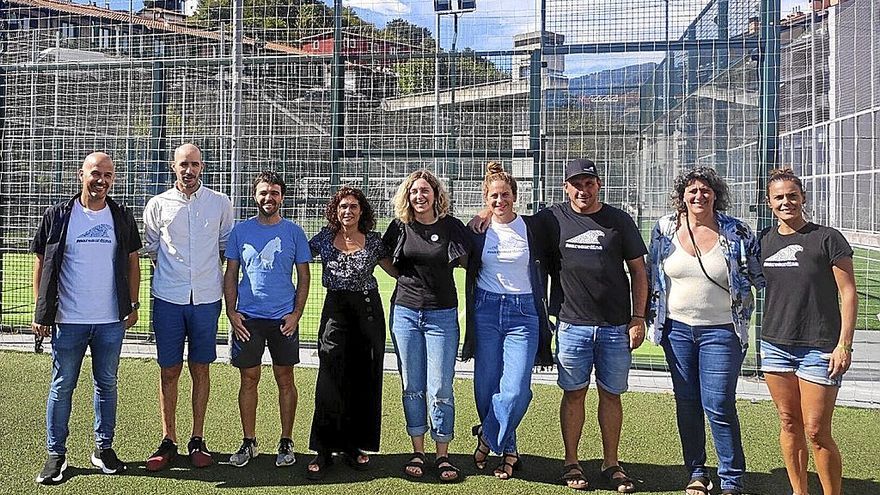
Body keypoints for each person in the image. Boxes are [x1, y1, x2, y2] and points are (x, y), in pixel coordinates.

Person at [645, 167, 764, 495]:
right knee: (686, 402)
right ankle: (697, 472)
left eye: (705, 191)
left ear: (716, 195)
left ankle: (731, 479)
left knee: (719, 403)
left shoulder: (737, 231)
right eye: (692, 191)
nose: (699, 196)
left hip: (723, 331)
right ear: (682, 195)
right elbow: (651, 272)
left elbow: (759, 275)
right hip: (677, 331)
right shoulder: (664, 229)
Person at [31, 152, 142, 484]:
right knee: (62, 386)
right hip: (68, 321)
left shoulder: (121, 216)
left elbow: (133, 261)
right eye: (96, 173)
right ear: (81, 175)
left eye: (108, 175)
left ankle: (103, 449)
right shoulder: (58, 215)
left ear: (113, 179)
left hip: (110, 321)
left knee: (106, 385)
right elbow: (41, 262)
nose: (102, 180)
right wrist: (42, 310)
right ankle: (56, 456)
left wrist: (133, 305)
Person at [759, 168, 857, 495]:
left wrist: (844, 344)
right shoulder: (763, 242)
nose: (786, 202)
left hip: (820, 347)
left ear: (802, 198)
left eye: (792, 195)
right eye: (779, 197)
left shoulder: (827, 238)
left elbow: (848, 293)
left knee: (816, 430)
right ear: (769, 202)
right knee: (789, 423)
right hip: (775, 345)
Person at [142, 143, 234, 471]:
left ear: (202, 167)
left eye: (194, 164)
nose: (189, 170)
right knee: (169, 371)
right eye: (183, 164)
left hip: (207, 300)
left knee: (200, 368)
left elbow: (225, 248)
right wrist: (172, 276)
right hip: (168, 299)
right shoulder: (157, 205)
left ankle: (198, 438)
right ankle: (169, 439)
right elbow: (152, 250)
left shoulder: (220, 203)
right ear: (173, 166)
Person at [462, 162, 553, 480]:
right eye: (493, 197)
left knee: (516, 390)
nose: (500, 201)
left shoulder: (532, 227)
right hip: (486, 310)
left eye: (505, 195)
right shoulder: (476, 231)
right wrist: (482, 216)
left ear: (515, 196)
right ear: (485, 199)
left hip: (524, 313)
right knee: (486, 387)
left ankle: (487, 436)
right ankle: (509, 449)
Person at [382, 169, 470, 483]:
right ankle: (418, 450)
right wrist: (405, 281)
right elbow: (383, 258)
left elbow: (467, 259)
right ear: (408, 196)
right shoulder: (400, 227)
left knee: (441, 387)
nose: (419, 197)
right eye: (414, 192)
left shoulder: (451, 227)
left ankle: (442, 454)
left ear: (436, 195)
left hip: (442, 315)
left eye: (425, 191)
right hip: (405, 314)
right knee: (412, 386)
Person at [306, 186, 396, 480]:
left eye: (353, 207)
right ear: (336, 210)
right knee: (330, 378)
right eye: (343, 206)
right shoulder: (323, 238)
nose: (348, 211)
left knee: (362, 379)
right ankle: (323, 449)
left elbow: (396, 270)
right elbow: (295, 255)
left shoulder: (373, 242)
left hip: (368, 312)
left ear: (362, 211)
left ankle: (354, 446)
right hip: (335, 310)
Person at [223, 171, 311, 468]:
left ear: (281, 197)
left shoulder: (294, 232)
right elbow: (231, 273)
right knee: (249, 379)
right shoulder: (240, 231)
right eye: (263, 193)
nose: (268, 198)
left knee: (285, 379)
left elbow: (304, 277)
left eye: (274, 193)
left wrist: (296, 314)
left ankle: (286, 440)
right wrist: (232, 312)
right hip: (248, 319)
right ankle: (249, 441)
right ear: (254, 196)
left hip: (282, 320)